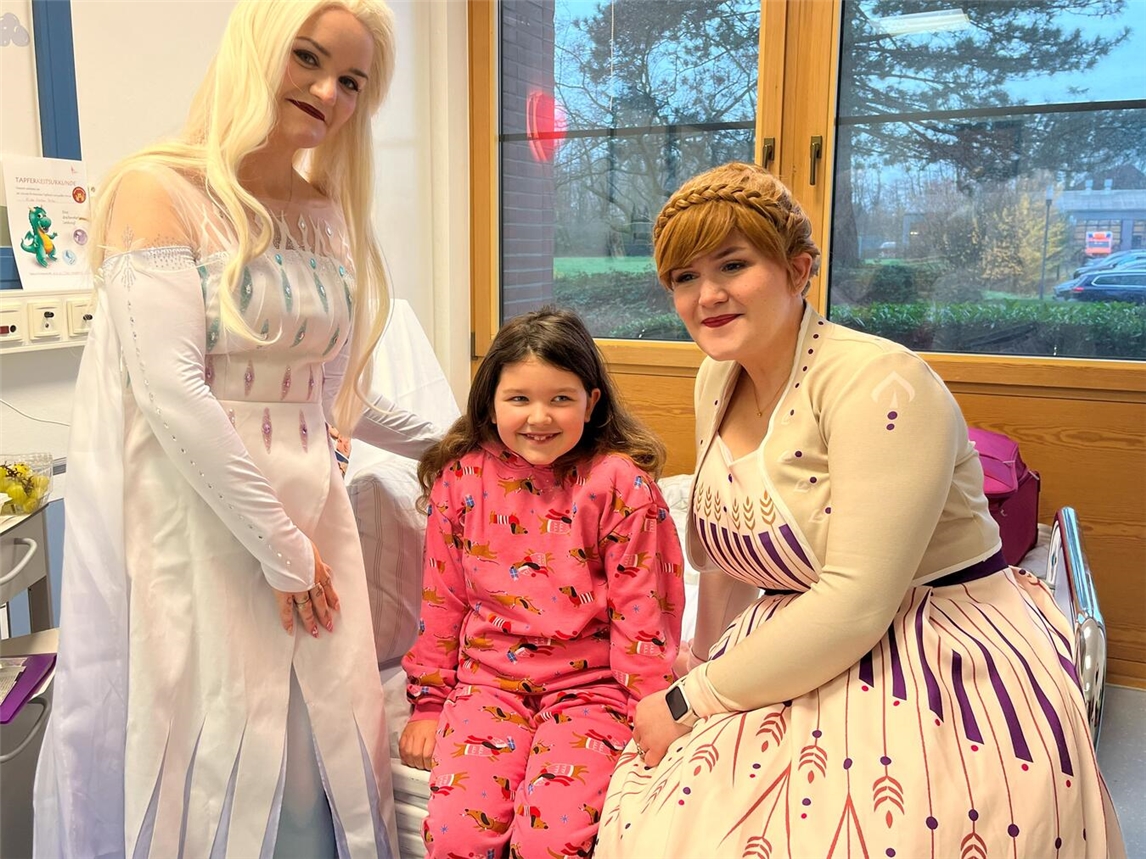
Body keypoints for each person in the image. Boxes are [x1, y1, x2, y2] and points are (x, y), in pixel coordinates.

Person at [597, 162, 1125, 858]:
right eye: (684, 278)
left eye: (732, 263)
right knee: (672, 807)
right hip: (792, 629)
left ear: (798, 269)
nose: (708, 295)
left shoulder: (880, 382)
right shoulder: (715, 376)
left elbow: (854, 603)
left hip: (933, 639)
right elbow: (725, 557)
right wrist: (697, 667)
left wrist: (688, 700)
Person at [33, 2, 443, 857]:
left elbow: (335, 395)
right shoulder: (158, 189)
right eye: (308, 58)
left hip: (315, 526)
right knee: (219, 735)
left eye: (353, 81)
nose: (329, 91)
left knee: (314, 749)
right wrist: (280, 548)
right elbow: (173, 393)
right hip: (206, 524)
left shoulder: (326, 209)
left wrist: (457, 440)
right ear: (259, 47)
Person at [399, 308, 685, 859]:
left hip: (592, 690)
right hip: (487, 687)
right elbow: (442, 600)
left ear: (591, 402)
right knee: (458, 836)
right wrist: (430, 704)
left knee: (551, 841)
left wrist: (650, 704)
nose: (539, 417)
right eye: (519, 399)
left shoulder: (619, 485)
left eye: (560, 398)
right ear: (490, 402)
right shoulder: (461, 480)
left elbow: (644, 608)